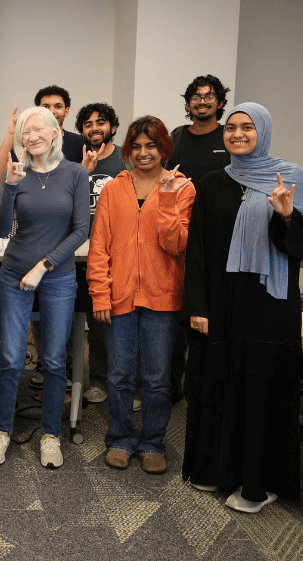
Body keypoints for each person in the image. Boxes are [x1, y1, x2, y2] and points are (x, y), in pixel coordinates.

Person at [181, 103, 303, 513]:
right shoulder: (213, 182)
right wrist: (198, 307)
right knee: (219, 384)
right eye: (231, 127)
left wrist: (286, 216)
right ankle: (216, 470)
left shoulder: (290, 177)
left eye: (248, 127)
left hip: (270, 307)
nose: (238, 134)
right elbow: (198, 250)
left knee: (262, 391)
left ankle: (259, 484)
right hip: (222, 303)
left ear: (263, 131)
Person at [87, 116, 195, 475]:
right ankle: (120, 437)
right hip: (119, 297)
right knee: (119, 375)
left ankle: (152, 442)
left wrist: (166, 196)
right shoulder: (113, 189)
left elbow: (177, 244)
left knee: (157, 378)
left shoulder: (183, 188)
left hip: (162, 298)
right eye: (136, 146)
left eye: (151, 146)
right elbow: (99, 247)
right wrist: (100, 295)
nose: (143, 153)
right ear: (128, 150)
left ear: (164, 148)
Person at [0, 106, 89, 470]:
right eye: (25, 132)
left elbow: (81, 230)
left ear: (55, 132)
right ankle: (1, 431)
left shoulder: (75, 173)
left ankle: (50, 435)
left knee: (55, 359)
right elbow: (0, 230)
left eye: (38, 129)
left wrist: (44, 266)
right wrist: (10, 187)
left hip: (57, 276)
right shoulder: (16, 173)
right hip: (14, 274)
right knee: (12, 358)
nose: (31, 137)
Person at [165, 74, 232, 403]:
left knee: (209, 311)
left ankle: (205, 386)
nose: (202, 101)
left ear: (220, 102)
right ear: (188, 103)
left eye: (209, 96)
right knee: (176, 313)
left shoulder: (229, 137)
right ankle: (171, 384)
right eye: (196, 96)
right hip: (177, 234)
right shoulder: (177, 137)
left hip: (215, 235)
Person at [73, 102, 125, 404]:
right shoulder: (75, 161)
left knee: (122, 320)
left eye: (101, 122)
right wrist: (83, 170)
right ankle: (100, 380)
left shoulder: (126, 159)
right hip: (85, 253)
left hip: (121, 251)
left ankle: (127, 383)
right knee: (96, 317)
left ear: (113, 127)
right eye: (88, 124)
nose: (95, 128)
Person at [0, 85, 84, 187]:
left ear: (66, 111)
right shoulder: (26, 142)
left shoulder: (79, 143)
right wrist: (11, 133)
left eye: (58, 106)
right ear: (38, 111)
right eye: (46, 107)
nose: (52, 111)